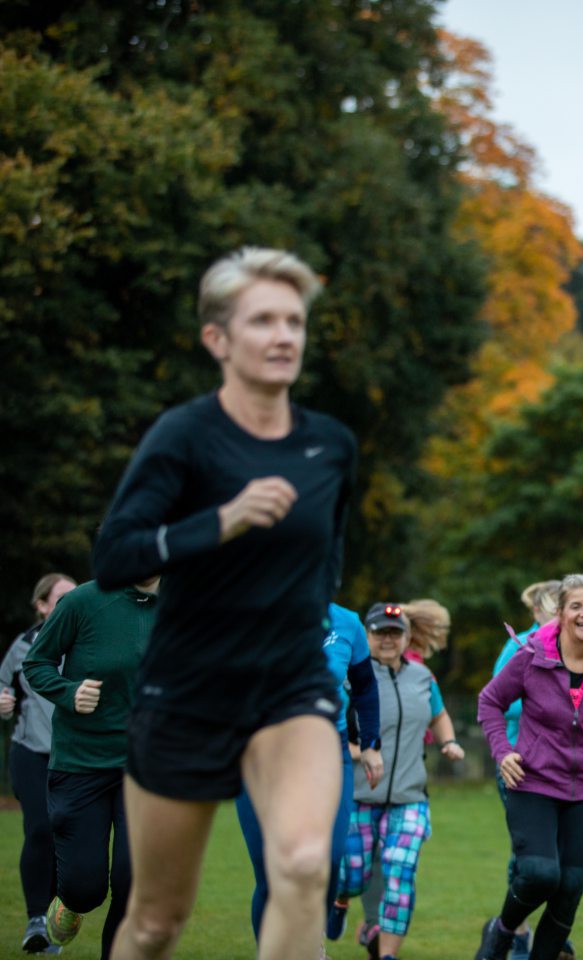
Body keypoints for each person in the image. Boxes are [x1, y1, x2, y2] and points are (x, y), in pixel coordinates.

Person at [90, 246, 357, 960]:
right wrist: (221, 521)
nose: (283, 336)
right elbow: (114, 558)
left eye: (294, 321)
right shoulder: (185, 436)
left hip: (290, 689)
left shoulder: (330, 446)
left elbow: (328, 557)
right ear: (218, 339)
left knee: (304, 865)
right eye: (263, 320)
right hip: (186, 692)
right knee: (155, 922)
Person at [474, 573, 583, 960]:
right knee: (540, 875)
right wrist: (502, 751)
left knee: (569, 891)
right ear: (561, 614)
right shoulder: (532, 656)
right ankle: (500, 934)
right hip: (533, 782)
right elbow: (489, 702)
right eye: (576, 606)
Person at [22, 576, 159, 959]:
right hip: (82, 762)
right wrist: (69, 692)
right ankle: (69, 899)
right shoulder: (83, 601)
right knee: (86, 887)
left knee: (134, 883)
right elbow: (37, 663)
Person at [232, 602, 383, 947]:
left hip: (328, 753)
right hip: (261, 755)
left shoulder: (347, 623)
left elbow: (364, 686)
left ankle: (309, 944)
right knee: (272, 876)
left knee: (327, 862)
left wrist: (371, 743)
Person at [333, 602, 464, 960]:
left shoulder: (423, 677)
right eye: (380, 633)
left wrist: (449, 742)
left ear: (407, 637)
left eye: (395, 632)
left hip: (409, 796)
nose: (388, 639)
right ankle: (341, 896)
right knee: (354, 875)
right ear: (367, 636)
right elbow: (328, 730)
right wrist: (360, 753)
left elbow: (439, 716)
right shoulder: (349, 678)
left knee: (400, 873)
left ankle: (387, 955)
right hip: (359, 795)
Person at [1, 572, 77, 954]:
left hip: (77, 755)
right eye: (60, 598)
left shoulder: (86, 639)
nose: (69, 604)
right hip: (30, 752)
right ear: (42, 605)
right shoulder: (21, 647)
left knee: (67, 835)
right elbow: (3, 689)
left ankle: (55, 915)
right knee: (41, 829)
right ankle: (35, 921)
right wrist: (2, 701)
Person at [488, 579, 562, 960]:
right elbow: (500, 699)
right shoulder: (520, 644)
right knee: (529, 853)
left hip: (566, 767)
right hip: (520, 763)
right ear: (537, 612)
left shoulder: (579, 645)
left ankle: (553, 932)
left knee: (562, 857)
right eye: (554, 607)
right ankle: (515, 930)